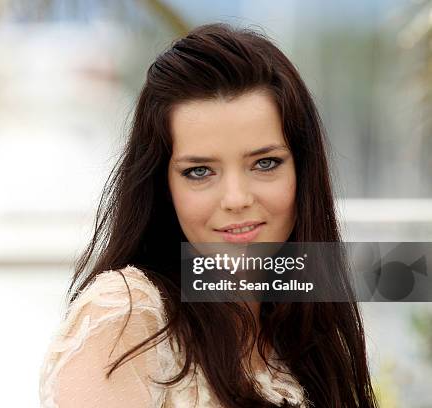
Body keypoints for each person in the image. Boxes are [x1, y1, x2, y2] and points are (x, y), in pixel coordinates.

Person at [39, 23, 379, 408]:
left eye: (265, 163)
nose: (236, 199)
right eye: (199, 172)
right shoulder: (127, 314)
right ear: (163, 186)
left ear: (302, 170)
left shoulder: (304, 324)